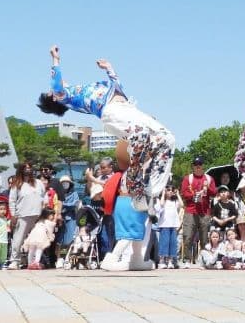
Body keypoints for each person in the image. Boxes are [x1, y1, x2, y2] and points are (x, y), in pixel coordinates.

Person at [37, 45, 175, 212]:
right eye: (51, 91)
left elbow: (117, 86)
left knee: (167, 138)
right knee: (141, 134)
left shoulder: (81, 89)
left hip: (128, 107)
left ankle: (151, 190)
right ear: (53, 97)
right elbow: (57, 85)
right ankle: (134, 186)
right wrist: (55, 59)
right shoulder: (65, 96)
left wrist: (109, 69)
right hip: (112, 112)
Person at [8, 163, 45, 269]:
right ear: (21, 170)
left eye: (30, 167)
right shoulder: (17, 184)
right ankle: (15, 261)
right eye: (26, 168)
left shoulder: (39, 183)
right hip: (22, 215)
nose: (28, 169)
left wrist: (43, 213)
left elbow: (43, 198)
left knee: (37, 240)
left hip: (38, 216)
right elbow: (12, 200)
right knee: (18, 239)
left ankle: (34, 261)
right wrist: (13, 215)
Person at [180, 157, 216, 266]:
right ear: (193, 166)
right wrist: (194, 194)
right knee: (188, 236)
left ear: (203, 166)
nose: (198, 166)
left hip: (205, 211)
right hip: (191, 210)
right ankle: (187, 259)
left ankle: (203, 259)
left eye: (200, 164)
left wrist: (207, 189)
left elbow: (214, 193)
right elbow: (184, 193)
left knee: (204, 237)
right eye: (196, 164)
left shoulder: (209, 179)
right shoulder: (188, 178)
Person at [154, 186, 182, 269]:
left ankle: (170, 260)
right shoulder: (162, 201)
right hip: (164, 224)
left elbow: (182, 205)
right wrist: (163, 193)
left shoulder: (174, 201)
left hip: (173, 225)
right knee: (164, 243)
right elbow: (161, 204)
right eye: (168, 190)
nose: (170, 192)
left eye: (171, 190)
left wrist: (178, 194)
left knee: (173, 243)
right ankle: (162, 260)